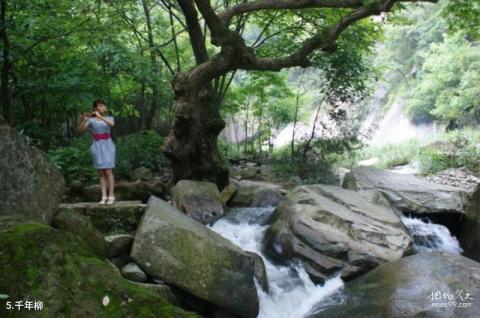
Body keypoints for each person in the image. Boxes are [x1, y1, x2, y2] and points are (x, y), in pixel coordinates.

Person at [78, 99, 116, 205]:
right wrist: (84, 120)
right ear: (95, 108)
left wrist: (100, 117)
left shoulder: (109, 118)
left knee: (108, 170)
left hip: (108, 145)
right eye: (100, 106)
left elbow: (111, 124)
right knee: (101, 172)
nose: (103, 107)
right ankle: (103, 196)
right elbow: (80, 130)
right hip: (97, 146)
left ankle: (111, 195)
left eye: (104, 106)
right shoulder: (91, 120)